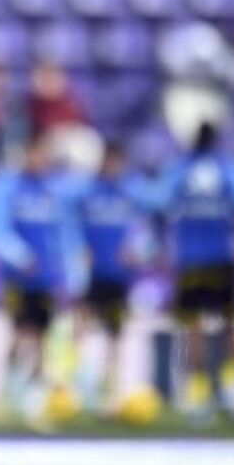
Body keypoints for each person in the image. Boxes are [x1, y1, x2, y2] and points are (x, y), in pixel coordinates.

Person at [154, 122, 234, 425]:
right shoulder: (230, 169)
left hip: (189, 258)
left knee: (194, 327)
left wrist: (161, 246)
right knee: (231, 321)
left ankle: (197, 392)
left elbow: (160, 209)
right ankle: (230, 384)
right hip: (222, 255)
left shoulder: (177, 170)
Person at [0, 136, 86, 425]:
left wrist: (70, 271)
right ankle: (5, 394)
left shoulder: (53, 192)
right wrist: (20, 257)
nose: (37, 160)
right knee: (19, 335)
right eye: (33, 154)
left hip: (46, 278)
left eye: (41, 155)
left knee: (42, 338)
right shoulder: (8, 188)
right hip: (18, 278)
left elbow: (64, 234)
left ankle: (34, 402)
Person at [77, 142, 155, 414]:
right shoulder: (86, 193)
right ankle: (79, 385)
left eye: (118, 162)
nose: (113, 167)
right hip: (91, 276)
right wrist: (78, 252)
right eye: (110, 161)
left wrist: (139, 249)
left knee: (115, 335)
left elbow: (147, 225)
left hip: (118, 277)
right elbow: (71, 227)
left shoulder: (129, 193)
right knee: (82, 328)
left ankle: (112, 392)